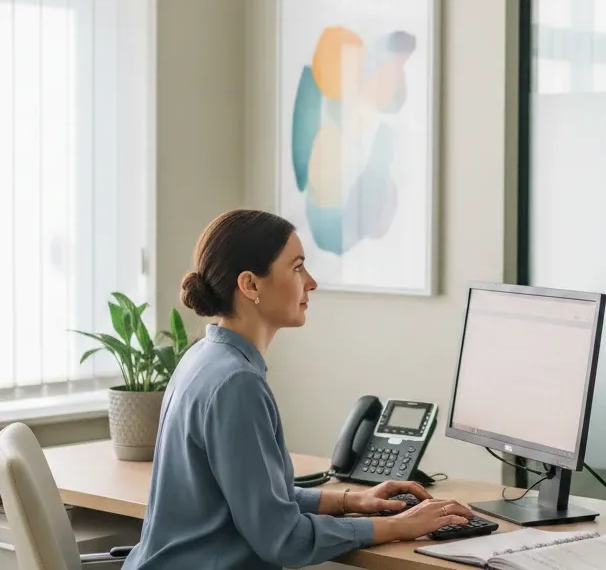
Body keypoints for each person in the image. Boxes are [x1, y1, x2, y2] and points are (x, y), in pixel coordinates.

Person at [123, 209, 474, 569]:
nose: (311, 282)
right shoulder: (237, 383)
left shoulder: (203, 356)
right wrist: (395, 526)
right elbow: (283, 540)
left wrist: (351, 501)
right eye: (297, 267)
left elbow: (258, 499)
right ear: (251, 285)